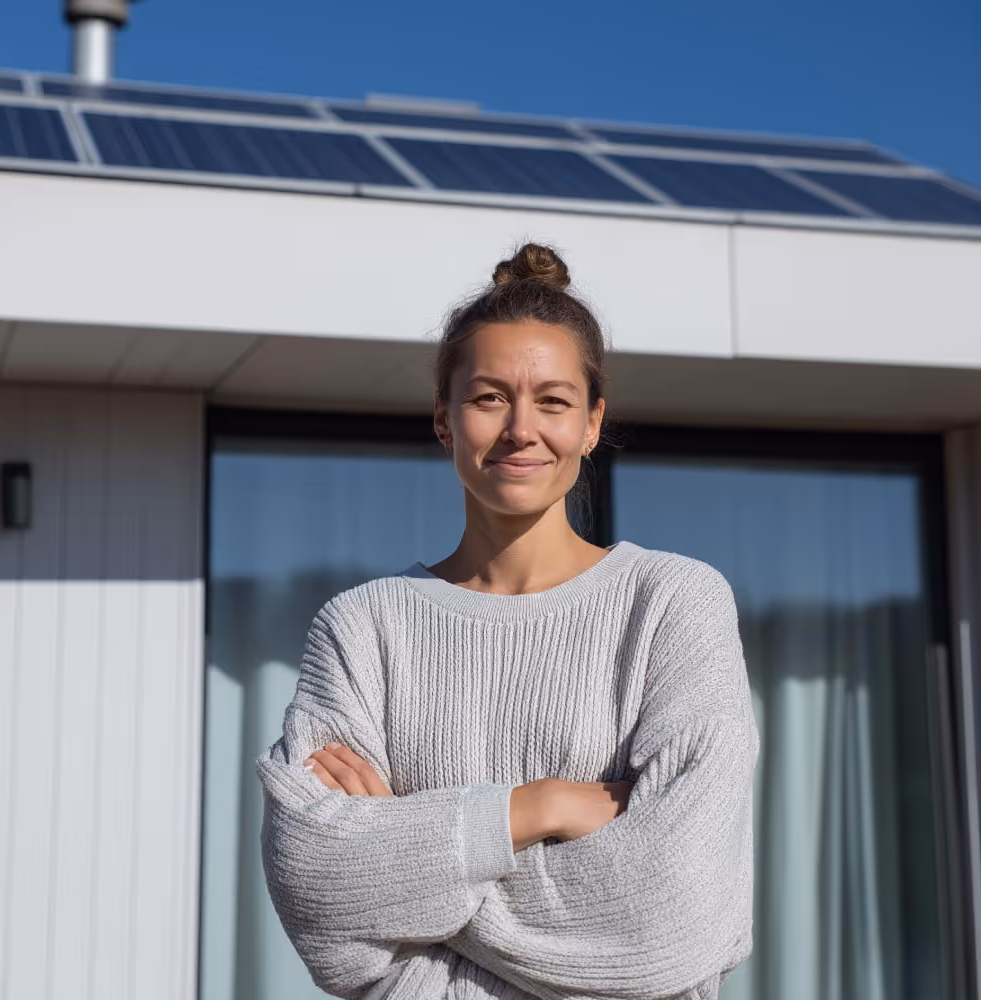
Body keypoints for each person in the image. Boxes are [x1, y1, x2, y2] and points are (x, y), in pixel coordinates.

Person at [256, 242, 760, 1000]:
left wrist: (405, 859)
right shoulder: (363, 626)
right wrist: (538, 807)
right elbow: (314, 887)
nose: (521, 428)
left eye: (553, 401)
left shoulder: (671, 603)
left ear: (592, 425)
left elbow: (675, 915)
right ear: (443, 419)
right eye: (489, 397)